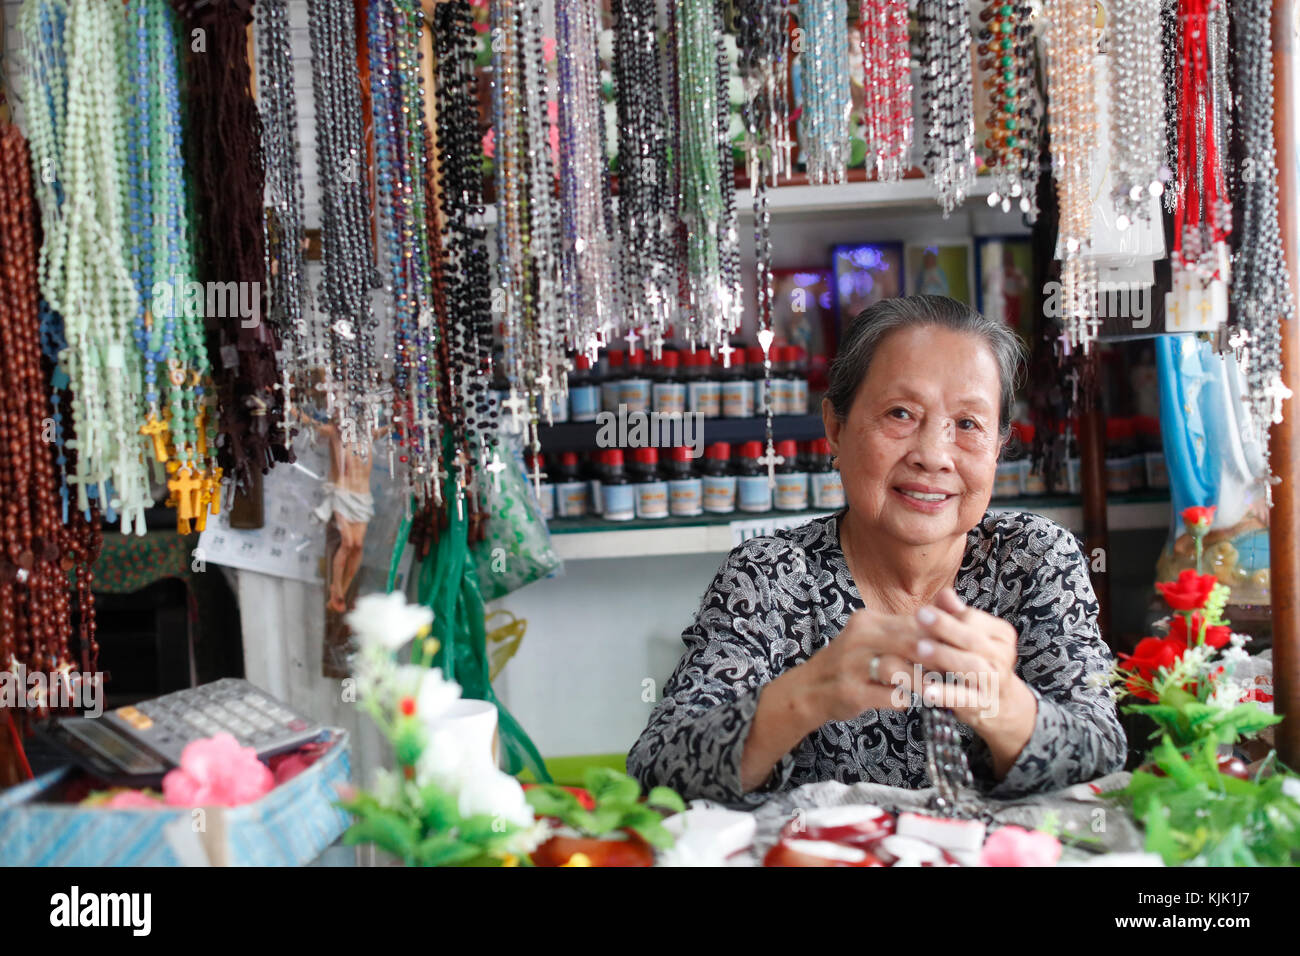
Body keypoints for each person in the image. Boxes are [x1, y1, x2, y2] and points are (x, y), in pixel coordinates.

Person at [628, 295, 1126, 805]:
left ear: (999, 446)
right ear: (836, 429)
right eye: (901, 413)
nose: (933, 455)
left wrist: (1005, 704)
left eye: (970, 424)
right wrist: (807, 694)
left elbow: (1104, 757)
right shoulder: (770, 575)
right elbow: (657, 770)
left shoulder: (1035, 559)